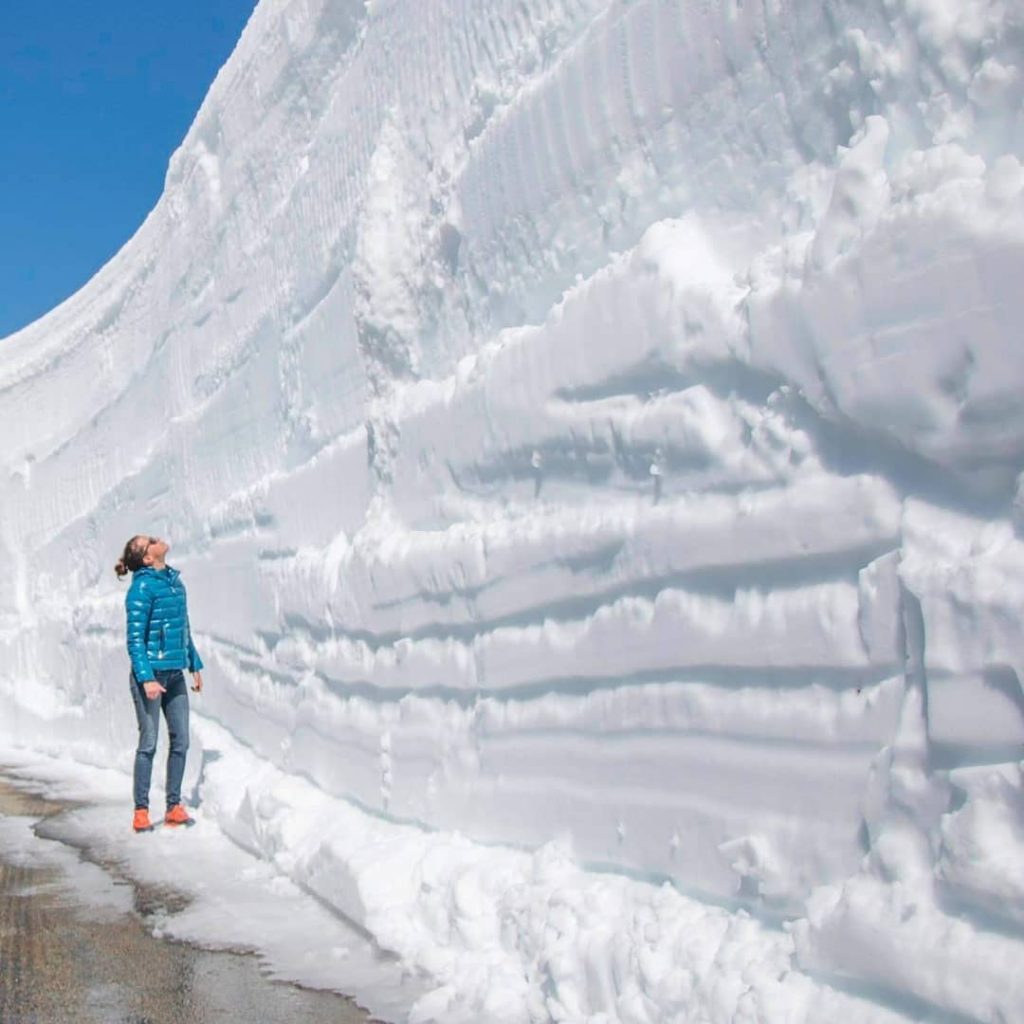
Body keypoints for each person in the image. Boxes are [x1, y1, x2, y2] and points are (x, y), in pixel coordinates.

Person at [114, 535, 204, 833]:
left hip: (175, 673)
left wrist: (194, 663)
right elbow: (135, 640)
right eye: (150, 541)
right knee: (149, 742)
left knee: (182, 740)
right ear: (147, 558)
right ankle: (141, 810)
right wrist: (147, 678)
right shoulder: (140, 588)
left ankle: (173, 807)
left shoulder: (175, 583)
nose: (157, 539)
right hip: (150, 676)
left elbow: (184, 627)